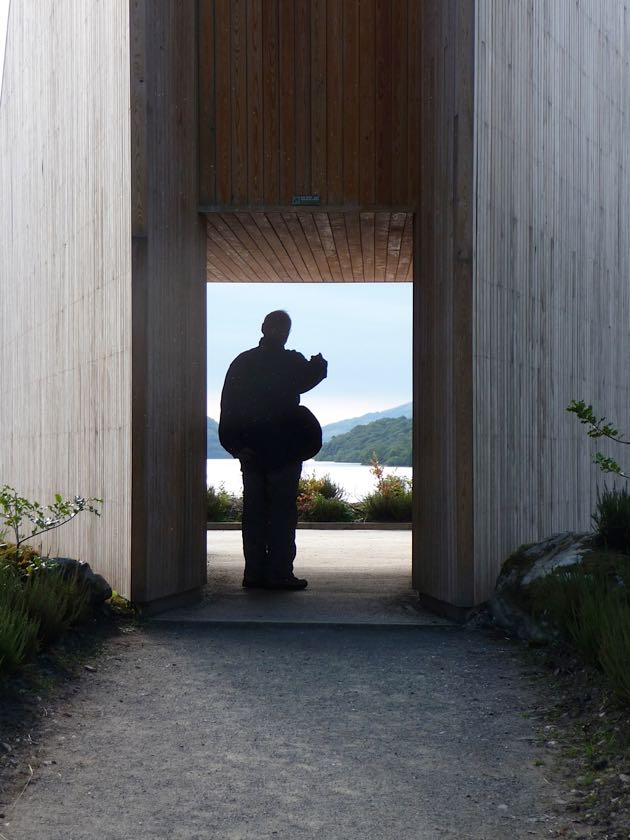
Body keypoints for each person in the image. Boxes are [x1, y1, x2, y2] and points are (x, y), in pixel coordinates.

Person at [219, 310, 328, 590]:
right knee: (281, 513)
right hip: (283, 450)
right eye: (282, 328)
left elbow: (228, 405)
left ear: (263, 327)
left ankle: (255, 573)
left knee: (255, 513)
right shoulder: (290, 361)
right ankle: (279, 573)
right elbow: (308, 379)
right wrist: (319, 366)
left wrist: (234, 445)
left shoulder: (243, 362)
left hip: (253, 449)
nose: (283, 333)